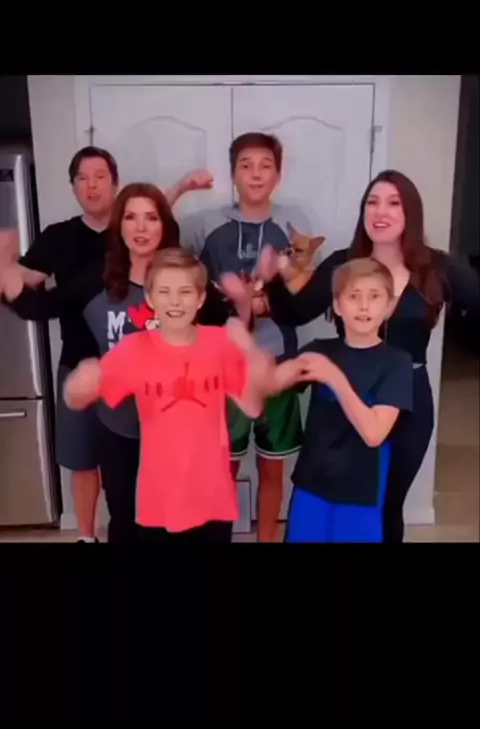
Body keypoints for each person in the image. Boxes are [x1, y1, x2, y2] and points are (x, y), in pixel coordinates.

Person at [226, 170, 480, 543]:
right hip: (343, 392)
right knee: (331, 499)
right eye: (372, 202)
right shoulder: (344, 263)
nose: (381, 211)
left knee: (387, 504)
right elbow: (295, 312)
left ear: (410, 212)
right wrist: (273, 279)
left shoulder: (437, 267)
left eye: (393, 203)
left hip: (408, 397)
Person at [0, 146, 214, 543]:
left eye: (151, 218)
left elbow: (222, 334)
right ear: (120, 226)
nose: (141, 227)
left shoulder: (187, 276)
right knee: (126, 518)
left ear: (163, 225)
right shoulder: (95, 282)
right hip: (120, 428)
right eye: (130, 217)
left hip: (179, 425)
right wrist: (4, 266)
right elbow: (36, 306)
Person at [62, 248, 274, 544]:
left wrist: (250, 352)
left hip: (214, 499)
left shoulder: (220, 343)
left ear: (200, 298)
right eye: (164, 291)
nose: (175, 301)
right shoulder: (133, 349)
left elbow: (252, 406)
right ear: (150, 299)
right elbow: (76, 399)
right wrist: (79, 383)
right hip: (159, 502)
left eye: (185, 292)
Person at [181, 132, 311, 542]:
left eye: (265, 165)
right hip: (221, 369)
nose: (256, 174)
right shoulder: (204, 225)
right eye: (246, 165)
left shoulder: (294, 224)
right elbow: (159, 250)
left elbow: (304, 289)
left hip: (276, 366)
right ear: (233, 173)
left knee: (273, 466)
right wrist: (181, 188)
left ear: (278, 174)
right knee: (225, 465)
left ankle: (266, 538)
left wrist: (266, 300)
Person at [256, 258, 413, 542]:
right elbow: (269, 385)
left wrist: (333, 377)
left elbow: (374, 434)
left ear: (389, 307)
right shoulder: (320, 350)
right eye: (354, 296)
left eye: (374, 297)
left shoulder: (396, 363)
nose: (364, 306)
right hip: (311, 487)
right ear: (337, 306)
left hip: (361, 494)